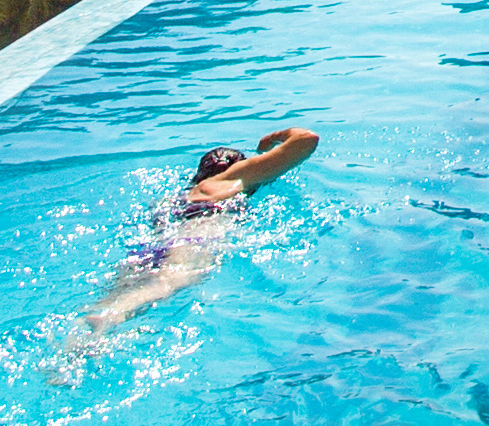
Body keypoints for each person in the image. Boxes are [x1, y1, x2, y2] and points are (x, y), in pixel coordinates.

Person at [70, 128, 319, 344]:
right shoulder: (228, 180)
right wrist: (273, 139)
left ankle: (80, 340)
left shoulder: (181, 195)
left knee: (114, 296)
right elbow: (306, 139)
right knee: (169, 282)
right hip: (194, 235)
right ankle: (111, 317)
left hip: (154, 245)